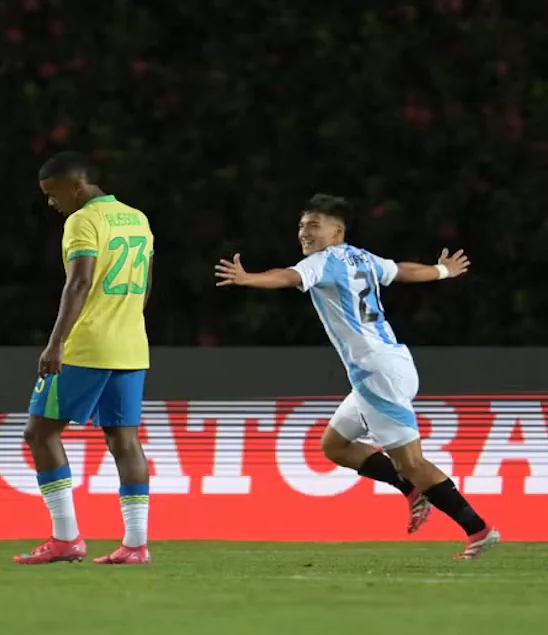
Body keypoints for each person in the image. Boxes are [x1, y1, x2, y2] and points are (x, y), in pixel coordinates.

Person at [213, 193, 499, 559]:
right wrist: (442, 271)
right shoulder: (361, 257)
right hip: (387, 365)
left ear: (336, 233)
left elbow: (287, 277)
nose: (304, 233)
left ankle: (478, 529)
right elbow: (401, 270)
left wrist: (247, 278)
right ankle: (409, 489)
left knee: (412, 462)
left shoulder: (322, 262)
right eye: (302, 226)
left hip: (377, 373)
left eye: (313, 226)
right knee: (335, 445)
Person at [16, 151, 155, 566]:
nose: (50, 203)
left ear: (75, 186)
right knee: (124, 440)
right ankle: (136, 544)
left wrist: (56, 343)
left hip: (88, 345)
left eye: (52, 193)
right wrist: (127, 322)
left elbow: (80, 282)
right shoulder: (137, 218)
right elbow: (146, 282)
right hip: (131, 345)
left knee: (39, 433)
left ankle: (65, 537)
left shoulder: (83, 221)